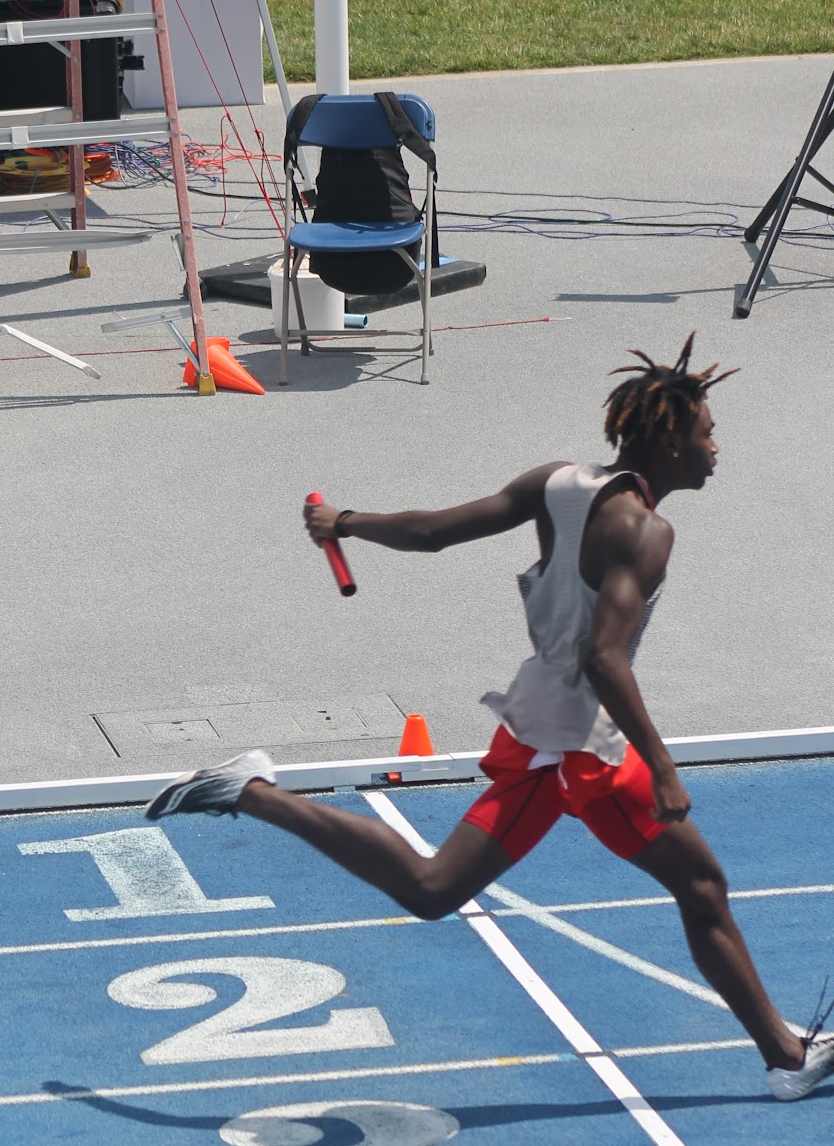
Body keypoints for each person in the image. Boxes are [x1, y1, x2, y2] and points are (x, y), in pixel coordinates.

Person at [148, 337, 833, 1101]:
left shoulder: (559, 483)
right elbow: (606, 658)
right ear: (668, 439)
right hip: (580, 742)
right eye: (707, 432)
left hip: (545, 718)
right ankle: (783, 1055)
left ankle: (782, 1052)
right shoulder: (645, 532)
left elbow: (435, 530)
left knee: (471, 889)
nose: (716, 447)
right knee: (662, 884)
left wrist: (345, 521)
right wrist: (664, 767)